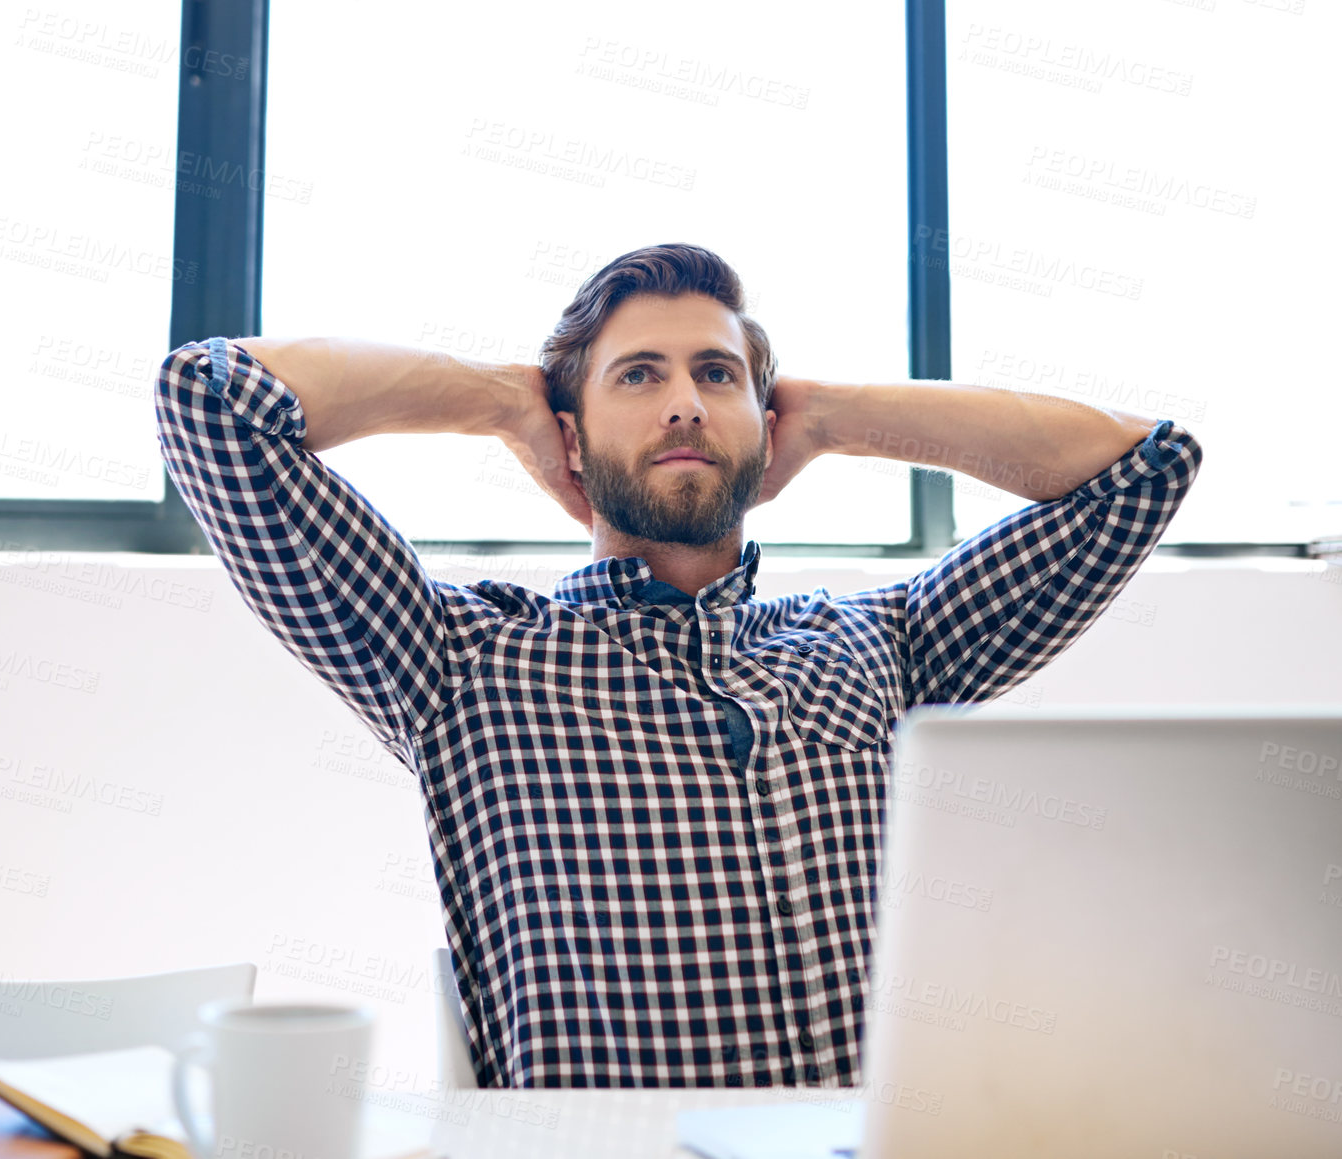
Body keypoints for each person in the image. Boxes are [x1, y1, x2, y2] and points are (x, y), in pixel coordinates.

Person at [154, 243, 1202, 1088]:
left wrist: (835, 417)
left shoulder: (883, 642)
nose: (685, 404)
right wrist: (501, 401)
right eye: (638, 376)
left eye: (718, 375)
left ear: (763, 422)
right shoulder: (456, 661)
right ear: (571, 438)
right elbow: (210, 397)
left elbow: (1143, 469)